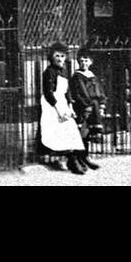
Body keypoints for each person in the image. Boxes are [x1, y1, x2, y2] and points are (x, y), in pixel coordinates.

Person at [39, 43, 87, 175]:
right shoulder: (48, 72)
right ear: (51, 57)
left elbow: (67, 91)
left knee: (71, 128)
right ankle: (71, 160)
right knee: (62, 129)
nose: (60, 59)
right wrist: (58, 111)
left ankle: (75, 158)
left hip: (63, 103)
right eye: (57, 56)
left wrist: (70, 107)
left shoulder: (64, 71)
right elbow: (48, 93)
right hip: (52, 105)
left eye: (62, 56)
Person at [69, 50, 107, 171]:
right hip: (84, 107)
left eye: (86, 60)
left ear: (90, 62)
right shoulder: (77, 76)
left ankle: (85, 157)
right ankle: (75, 159)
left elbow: (99, 91)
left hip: (94, 107)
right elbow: (78, 93)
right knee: (82, 133)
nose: (84, 63)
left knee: (89, 133)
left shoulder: (92, 75)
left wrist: (101, 104)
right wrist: (86, 105)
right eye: (81, 61)